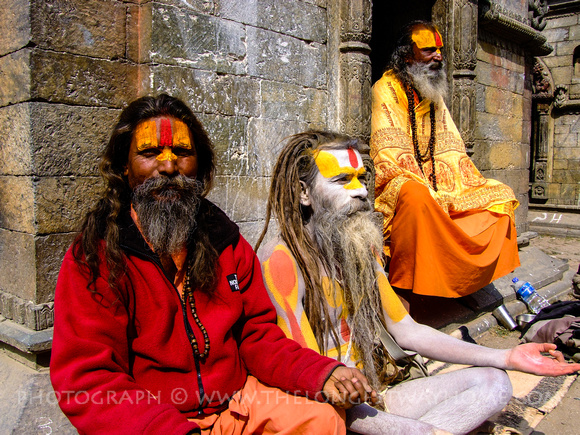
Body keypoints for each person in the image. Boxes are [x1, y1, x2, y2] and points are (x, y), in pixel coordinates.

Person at [50, 95, 377, 435]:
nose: (168, 167)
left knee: (323, 420)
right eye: (149, 154)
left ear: (200, 165)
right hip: (157, 419)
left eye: (182, 152)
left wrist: (321, 372)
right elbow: (89, 378)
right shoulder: (98, 255)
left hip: (237, 402)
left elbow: (257, 334)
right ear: (124, 167)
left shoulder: (224, 239)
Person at [256, 131, 580, 435]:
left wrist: (507, 357)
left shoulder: (355, 250)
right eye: (342, 180)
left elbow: (407, 330)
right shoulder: (282, 262)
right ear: (303, 192)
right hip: (331, 414)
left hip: (373, 401)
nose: (360, 191)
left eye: (361, 179)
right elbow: (314, 385)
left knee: (496, 382)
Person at [371, 21, 520, 299]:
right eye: (428, 50)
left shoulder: (433, 92)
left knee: (500, 197)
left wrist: (449, 189)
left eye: (439, 50)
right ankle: (408, 288)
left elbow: (451, 147)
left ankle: (466, 280)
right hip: (402, 179)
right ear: (407, 55)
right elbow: (389, 150)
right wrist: (427, 188)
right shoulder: (385, 88)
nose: (438, 56)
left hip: (442, 179)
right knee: (417, 198)